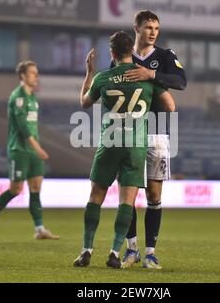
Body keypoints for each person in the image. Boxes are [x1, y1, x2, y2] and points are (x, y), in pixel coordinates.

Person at [73, 31, 175, 268]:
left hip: (109, 143)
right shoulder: (145, 78)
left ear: (112, 53)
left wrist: (89, 74)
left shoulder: (102, 78)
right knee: (127, 202)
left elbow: (84, 103)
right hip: (135, 146)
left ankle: (86, 250)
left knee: (96, 197)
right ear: (132, 52)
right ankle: (115, 253)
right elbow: (170, 106)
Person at [113, 10, 187, 269]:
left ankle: (151, 252)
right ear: (136, 29)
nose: (153, 32)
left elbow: (181, 82)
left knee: (154, 195)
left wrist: (151, 75)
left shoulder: (166, 56)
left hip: (157, 133)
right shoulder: (123, 57)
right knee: (128, 194)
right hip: (128, 133)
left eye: (156, 27)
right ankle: (131, 250)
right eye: (148, 27)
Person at [0, 61, 59, 240]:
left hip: (33, 151)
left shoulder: (33, 97)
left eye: (37, 73)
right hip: (19, 150)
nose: (36, 76)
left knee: (35, 187)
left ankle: (39, 229)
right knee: (16, 189)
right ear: (23, 76)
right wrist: (38, 148)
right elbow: (23, 128)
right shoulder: (18, 97)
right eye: (33, 73)